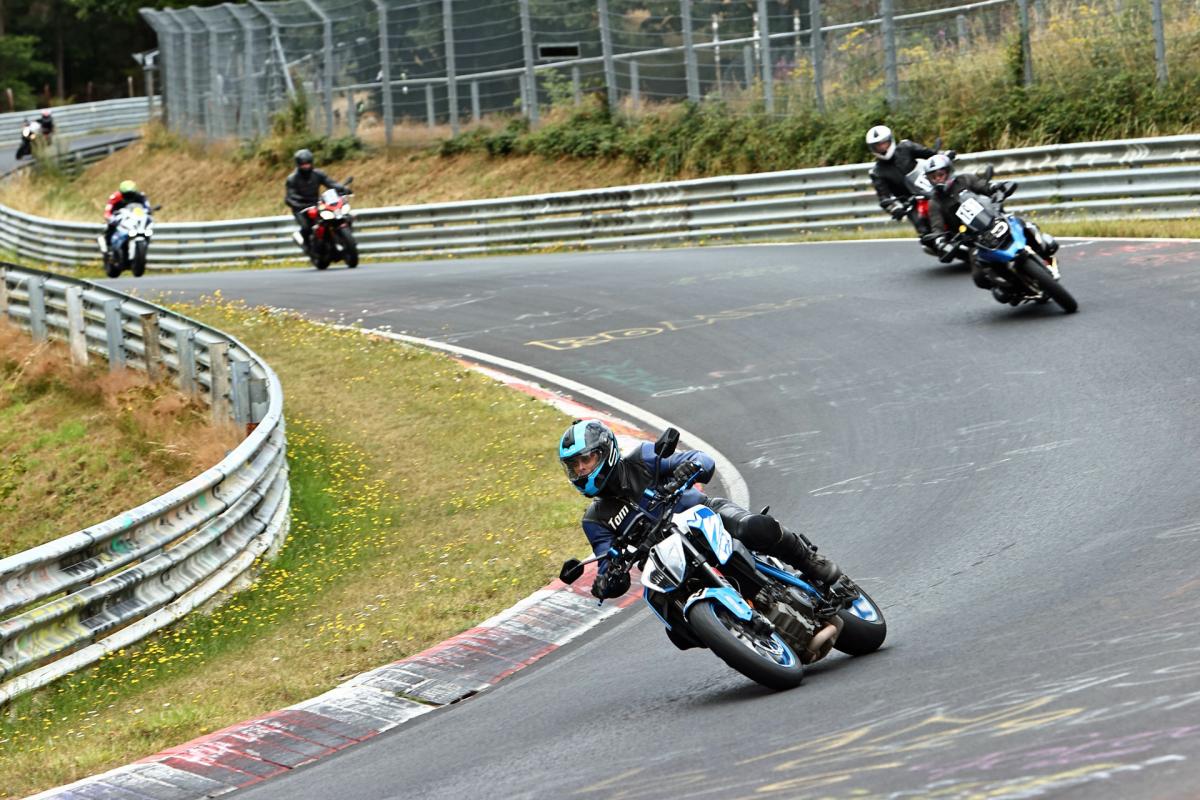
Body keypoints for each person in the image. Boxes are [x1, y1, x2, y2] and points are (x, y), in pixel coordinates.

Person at [558, 418, 852, 604]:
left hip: (703, 514)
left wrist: (690, 467)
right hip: (668, 559)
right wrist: (606, 582)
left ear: (605, 452)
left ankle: (812, 563)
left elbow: (701, 459)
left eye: (586, 459)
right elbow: (607, 560)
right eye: (574, 465)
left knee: (754, 527)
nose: (581, 469)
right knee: (666, 610)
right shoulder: (595, 520)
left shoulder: (641, 458)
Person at [924, 154, 1058, 301]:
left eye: (940, 174)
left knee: (1023, 225)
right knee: (979, 277)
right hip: (973, 239)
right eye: (933, 177)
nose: (938, 179)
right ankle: (1014, 289)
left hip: (994, 219)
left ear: (949, 171)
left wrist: (997, 188)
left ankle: (1043, 252)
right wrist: (940, 242)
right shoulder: (935, 203)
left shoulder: (965, 180)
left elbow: (984, 187)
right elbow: (937, 227)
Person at [866, 124, 942, 235]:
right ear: (873, 148)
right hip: (911, 202)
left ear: (890, 140)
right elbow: (883, 196)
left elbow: (930, 154)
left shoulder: (906, 147)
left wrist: (943, 155)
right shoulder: (877, 172)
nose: (882, 147)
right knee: (923, 229)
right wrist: (894, 208)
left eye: (884, 143)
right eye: (878, 146)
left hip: (930, 187)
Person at [284, 149, 347, 252]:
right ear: (298, 164)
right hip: (300, 207)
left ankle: (337, 239)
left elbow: (330, 183)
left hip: (316, 204)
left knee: (335, 218)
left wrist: (342, 189)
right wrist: (297, 203)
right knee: (307, 227)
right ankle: (307, 246)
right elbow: (289, 197)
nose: (306, 166)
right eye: (303, 164)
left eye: (308, 163)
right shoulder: (292, 179)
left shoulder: (318, 174)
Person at [99, 180, 151, 254]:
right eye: (126, 195)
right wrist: (109, 216)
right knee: (111, 227)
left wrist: (148, 211)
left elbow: (147, 207)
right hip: (119, 217)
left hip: (134, 218)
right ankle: (108, 247)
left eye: (131, 194)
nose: (129, 196)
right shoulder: (115, 197)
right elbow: (108, 209)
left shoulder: (141, 196)